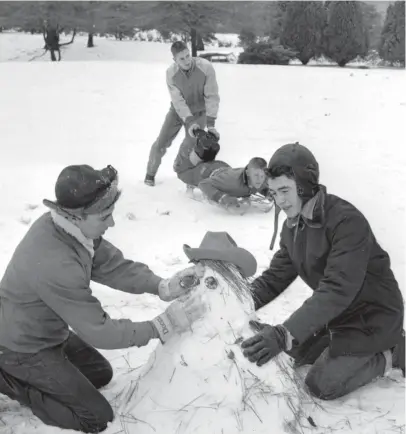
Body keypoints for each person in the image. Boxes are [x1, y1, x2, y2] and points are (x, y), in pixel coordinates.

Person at [0, 164, 203, 433]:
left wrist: (162, 286)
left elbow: (112, 266)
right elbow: (101, 332)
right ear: (75, 216)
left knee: (100, 374)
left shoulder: (67, 227)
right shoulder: (56, 263)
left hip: (45, 332)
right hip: (20, 346)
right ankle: (8, 379)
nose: (112, 222)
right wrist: (159, 326)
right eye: (104, 216)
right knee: (95, 417)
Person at [240, 143, 405, 400]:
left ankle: (394, 351)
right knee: (280, 352)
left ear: (304, 186)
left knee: (321, 384)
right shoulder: (292, 227)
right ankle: (329, 342)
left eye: (285, 190)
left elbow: (337, 289)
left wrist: (284, 333)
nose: (280, 201)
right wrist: (236, 301)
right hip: (336, 315)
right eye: (273, 193)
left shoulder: (346, 222)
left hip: (372, 318)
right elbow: (274, 278)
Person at [144, 41, 220, 187]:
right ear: (175, 60)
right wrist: (189, 120)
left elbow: (212, 96)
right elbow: (178, 100)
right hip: (177, 112)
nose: (186, 61)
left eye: (187, 56)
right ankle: (150, 173)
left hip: (199, 112)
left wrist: (211, 124)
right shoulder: (171, 74)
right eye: (182, 59)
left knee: (190, 144)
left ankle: (180, 167)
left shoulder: (206, 67)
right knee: (161, 142)